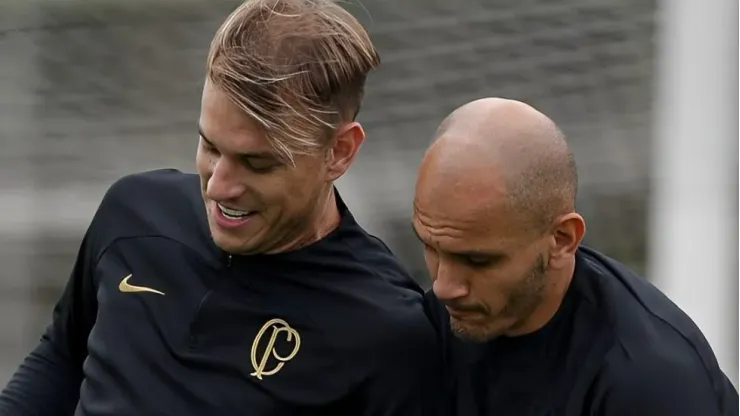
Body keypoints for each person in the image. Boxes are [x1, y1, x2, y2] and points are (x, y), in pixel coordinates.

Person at [0, 0, 443, 414]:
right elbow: (62, 358)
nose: (219, 185)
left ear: (340, 152)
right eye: (210, 146)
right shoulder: (133, 215)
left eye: (257, 163)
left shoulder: (389, 332)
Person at [414, 97, 738, 415]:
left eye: (478, 261)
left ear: (561, 239)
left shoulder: (650, 384)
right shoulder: (414, 330)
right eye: (430, 246)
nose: (444, 286)